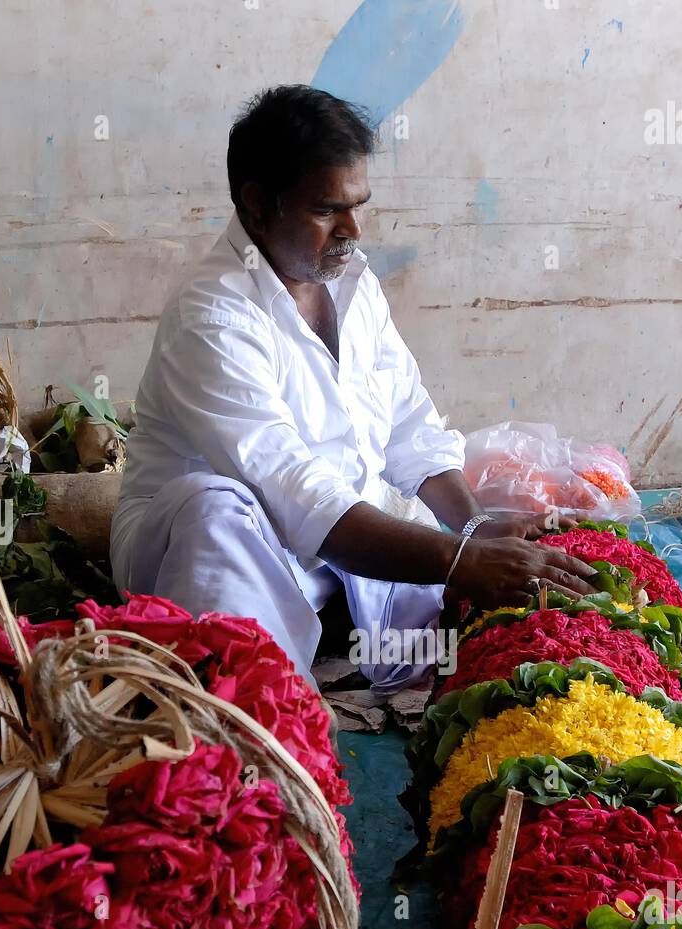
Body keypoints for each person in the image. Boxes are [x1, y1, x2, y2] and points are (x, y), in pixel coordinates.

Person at [110, 85, 596, 690]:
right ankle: (247, 697)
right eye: (326, 210)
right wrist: (458, 561)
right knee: (214, 507)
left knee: (494, 634)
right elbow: (292, 490)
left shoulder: (353, 285)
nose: (353, 229)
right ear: (258, 205)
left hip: (335, 540)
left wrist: (471, 529)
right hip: (219, 550)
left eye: (359, 206)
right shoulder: (212, 315)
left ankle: (333, 630)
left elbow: (412, 428)